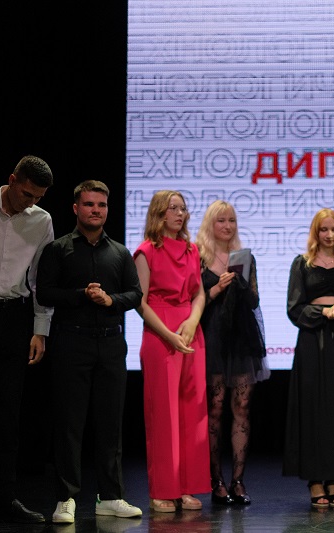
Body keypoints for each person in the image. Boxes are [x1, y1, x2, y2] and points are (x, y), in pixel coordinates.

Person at [36, 180, 144, 523]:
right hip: (72, 342)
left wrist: (111, 300)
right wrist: (80, 294)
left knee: (110, 423)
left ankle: (110, 496)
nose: (95, 210)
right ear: (75, 208)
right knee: (69, 423)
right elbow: (44, 293)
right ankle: (65, 498)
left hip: (111, 344)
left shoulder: (120, 252)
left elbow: (136, 294)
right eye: (89, 204)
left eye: (101, 205)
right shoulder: (59, 249)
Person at [0, 155, 54, 523]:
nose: (31, 202)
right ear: (11, 180)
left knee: (9, 411)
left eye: (38, 197)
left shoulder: (41, 221)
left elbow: (40, 278)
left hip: (12, 317)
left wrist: (41, 329)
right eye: (27, 194)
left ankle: (4, 499)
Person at [284, 208, 334, 508]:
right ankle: (315, 481)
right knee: (312, 407)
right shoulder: (302, 264)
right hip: (311, 342)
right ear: (315, 232)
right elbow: (294, 307)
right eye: (324, 229)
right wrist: (323, 312)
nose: (329, 235)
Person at [134, 190, 210, 513]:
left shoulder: (192, 250)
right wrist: (168, 334)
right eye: (173, 208)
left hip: (191, 332)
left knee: (192, 413)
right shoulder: (146, 251)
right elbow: (140, 301)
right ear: (159, 213)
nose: (180, 213)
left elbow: (199, 294)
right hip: (160, 333)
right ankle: (163, 490)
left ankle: (186, 488)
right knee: (163, 415)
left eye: (183, 208)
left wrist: (192, 322)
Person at [197, 200, 270, 506]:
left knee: (242, 409)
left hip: (241, 340)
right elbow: (194, 301)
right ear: (210, 224)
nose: (227, 226)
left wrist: (239, 284)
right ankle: (216, 480)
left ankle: (238, 480)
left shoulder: (244, 257)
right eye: (221, 221)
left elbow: (254, 302)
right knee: (214, 410)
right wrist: (217, 288)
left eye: (232, 221)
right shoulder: (198, 256)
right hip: (212, 338)